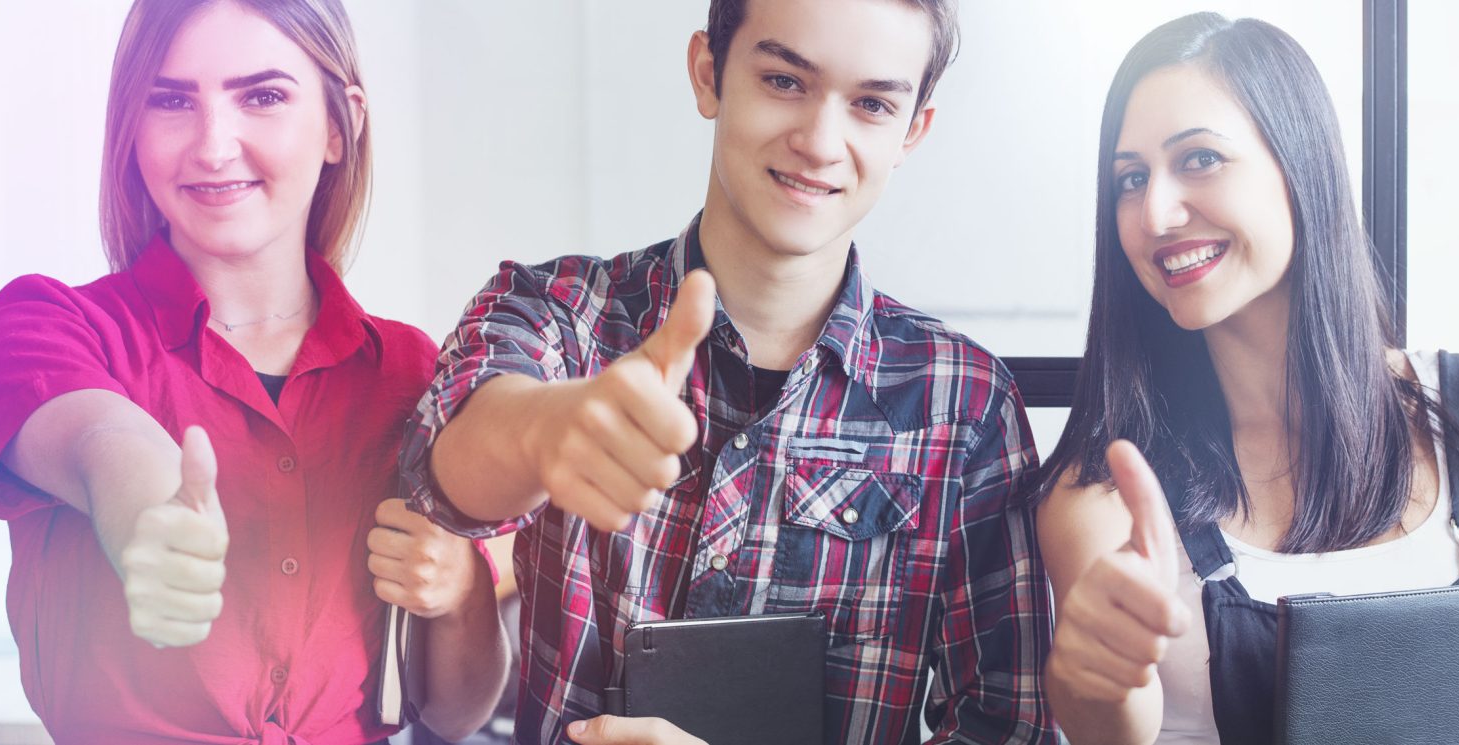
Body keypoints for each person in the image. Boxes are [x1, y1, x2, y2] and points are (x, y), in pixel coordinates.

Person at [397, 0, 1055, 742]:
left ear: (912, 131)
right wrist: (545, 432)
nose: (819, 143)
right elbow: (443, 473)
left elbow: (1009, 728)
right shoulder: (560, 311)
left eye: (872, 104)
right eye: (784, 81)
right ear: (708, 74)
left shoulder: (965, 404)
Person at [0, 0, 507, 742]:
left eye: (263, 96)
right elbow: (101, 440)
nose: (214, 146)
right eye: (171, 101)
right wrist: (149, 513)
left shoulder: (414, 371)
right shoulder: (48, 325)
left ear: (340, 126)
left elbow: (454, 712)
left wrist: (461, 590)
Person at [1033, 12, 1459, 745]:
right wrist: (1091, 678)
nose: (1154, 213)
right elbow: (1111, 726)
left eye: (1199, 159)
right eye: (1130, 178)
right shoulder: (1100, 494)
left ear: (1301, 162)